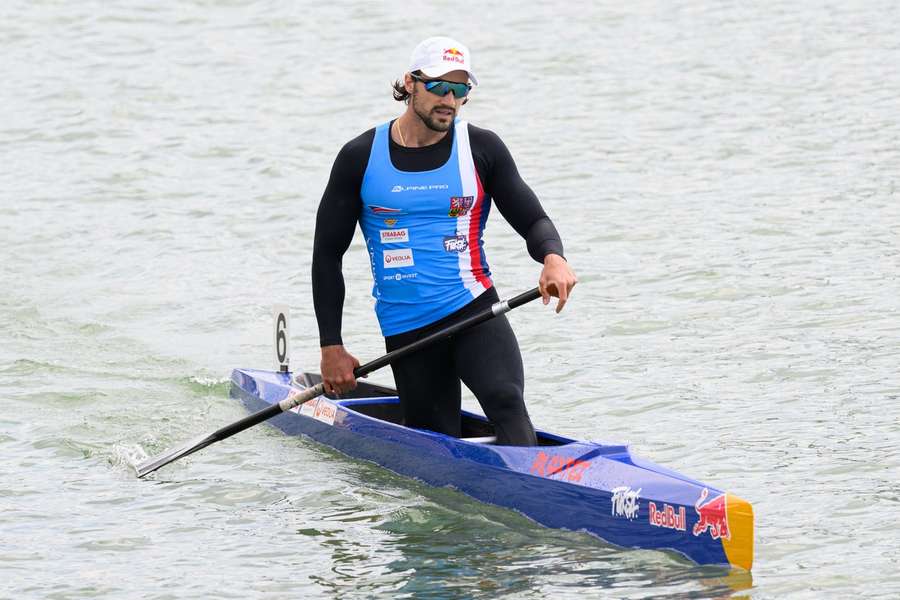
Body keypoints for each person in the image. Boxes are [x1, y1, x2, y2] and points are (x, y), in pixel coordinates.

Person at [311, 36, 577, 446]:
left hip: (475, 309)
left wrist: (553, 258)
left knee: (506, 401)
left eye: (460, 90)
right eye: (438, 86)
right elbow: (328, 255)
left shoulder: (482, 149)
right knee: (436, 439)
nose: (449, 100)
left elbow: (533, 218)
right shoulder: (360, 157)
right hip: (408, 327)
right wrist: (332, 347)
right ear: (410, 83)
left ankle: (536, 494)